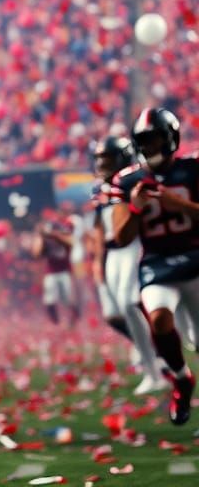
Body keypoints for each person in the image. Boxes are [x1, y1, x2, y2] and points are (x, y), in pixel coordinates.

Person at [112, 107, 199, 425]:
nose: (149, 146)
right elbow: (121, 237)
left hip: (195, 259)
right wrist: (135, 208)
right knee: (159, 320)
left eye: (155, 139)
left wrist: (180, 205)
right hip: (157, 264)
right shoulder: (128, 180)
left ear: (170, 138)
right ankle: (181, 377)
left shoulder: (192, 168)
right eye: (144, 140)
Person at [91, 135, 163, 394]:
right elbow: (99, 226)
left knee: (130, 303)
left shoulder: (133, 179)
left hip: (133, 245)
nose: (102, 164)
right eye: (100, 158)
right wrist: (98, 260)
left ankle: (156, 362)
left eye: (107, 158)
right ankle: (151, 363)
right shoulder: (100, 189)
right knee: (121, 309)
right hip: (114, 253)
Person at [31, 211, 80, 325]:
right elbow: (36, 254)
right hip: (51, 271)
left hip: (65, 271)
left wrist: (54, 235)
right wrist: (41, 236)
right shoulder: (46, 239)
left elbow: (71, 242)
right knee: (49, 298)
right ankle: (55, 321)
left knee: (68, 298)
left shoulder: (63, 235)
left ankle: (74, 318)